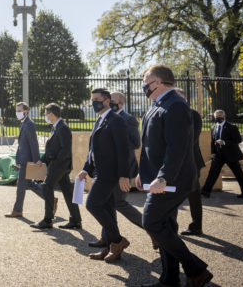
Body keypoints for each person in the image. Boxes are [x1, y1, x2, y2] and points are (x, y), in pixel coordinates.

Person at [137, 65, 212, 287]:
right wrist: (145, 175)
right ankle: (169, 279)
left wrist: (162, 178)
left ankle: (195, 269)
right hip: (159, 180)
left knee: (150, 221)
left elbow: (176, 148)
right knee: (166, 227)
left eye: (146, 82)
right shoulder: (157, 104)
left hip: (172, 181)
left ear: (158, 83)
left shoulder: (176, 106)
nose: (144, 87)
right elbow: (150, 145)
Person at [78, 88, 131, 263]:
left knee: (92, 204)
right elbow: (92, 149)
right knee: (107, 209)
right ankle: (110, 247)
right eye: (92, 99)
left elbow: (124, 150)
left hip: (110, 173)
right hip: (99, 170)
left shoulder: (116, 120)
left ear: (107, 101)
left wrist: (124, 175)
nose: (93, 102)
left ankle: (117, 241)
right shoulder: (100, 119)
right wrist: (86, 168)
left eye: (97, 99)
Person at [89, 92, 144, 248]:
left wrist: (116, 138)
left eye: (115, 102)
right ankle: (109, 240)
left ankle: (149, 229)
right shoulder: (103, 118)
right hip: (108, 169)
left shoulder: (128, 119)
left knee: (117, 203)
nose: (111, 104)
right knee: (107, 203)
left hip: (123, 168)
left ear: (121, 104)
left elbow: (135, 143)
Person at [30, 103, 81, 230]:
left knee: (47, 186)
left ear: (51, 114)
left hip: (59, 165)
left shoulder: (62, 128)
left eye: (46, 113)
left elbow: (65, 149)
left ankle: (47, 220)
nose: (45, 116)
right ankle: (75, 220)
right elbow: (52, 149)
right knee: (68, 192)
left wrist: (55, 162)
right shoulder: (56, 127)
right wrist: (42, 161)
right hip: (59, 165)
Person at [175, 88, 206, 236]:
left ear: (185, 99)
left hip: (192, 162)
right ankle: (169, 226)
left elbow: (192, 139)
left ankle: (196, 226)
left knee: (193, 195)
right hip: (174, 163)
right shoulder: (171, 114)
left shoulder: (193, 114)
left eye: (179, 97)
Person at [201, 109, 243, 199]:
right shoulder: (213, 127)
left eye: (219, 116)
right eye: (216, 117)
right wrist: (213, 153)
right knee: (212, 173)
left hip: (231, 154)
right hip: (218, 155)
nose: (217, 118)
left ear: (224, 116)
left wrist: (224, 142)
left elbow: (238, 140)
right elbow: (213, 141)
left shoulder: (232, 127)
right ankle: (205, 191)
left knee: (238, 174)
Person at [5, 102, 40, 218]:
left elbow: (33, 143)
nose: (17, 113)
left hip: (28, 161)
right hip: (23, 159)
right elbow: (22, 144)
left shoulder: (29, 124)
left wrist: (37, 160)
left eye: (19, 111)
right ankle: (51, 199)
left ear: (26, 111)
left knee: (21, 185)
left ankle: (17, 210)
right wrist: (17, 158)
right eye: (17, 111)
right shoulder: (24, 123)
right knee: (29, 184)